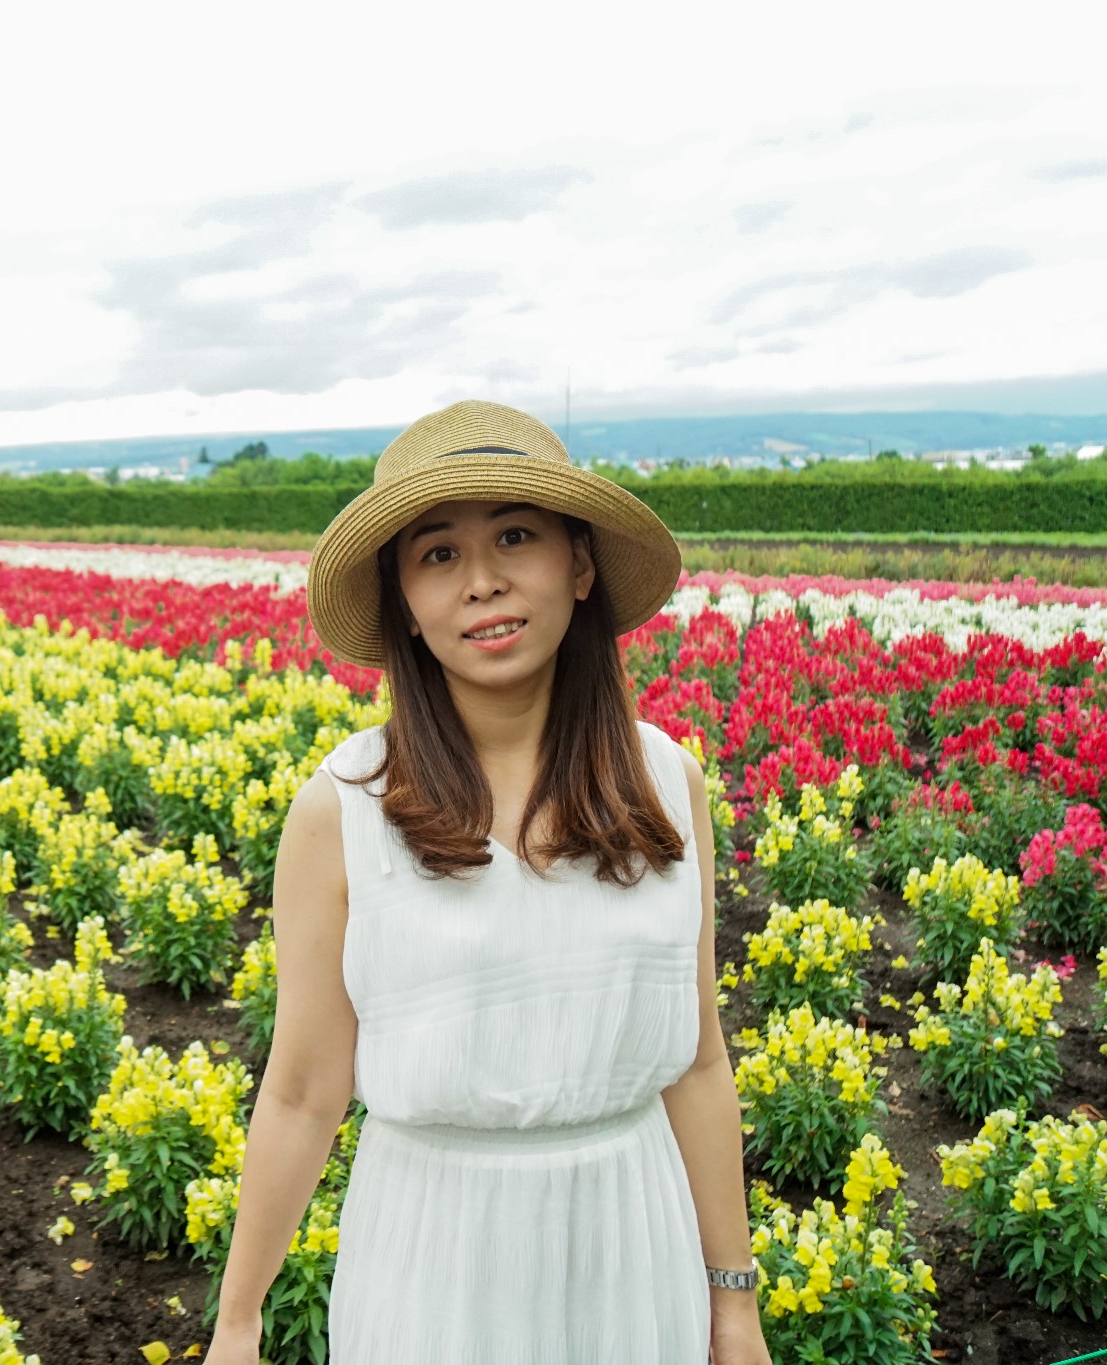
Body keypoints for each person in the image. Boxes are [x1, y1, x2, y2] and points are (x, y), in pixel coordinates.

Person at [203, 400, 772, 1364]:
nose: (483, 581)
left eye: (517, 536)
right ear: (406, 608)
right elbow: (303, 1090)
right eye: (438, 554)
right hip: (431, 1262)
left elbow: (699, 1061)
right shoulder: (343, 809)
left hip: (633, 1249)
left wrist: (733, 1302)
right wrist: (237, 1322)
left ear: (580, 565)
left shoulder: (668, 784)